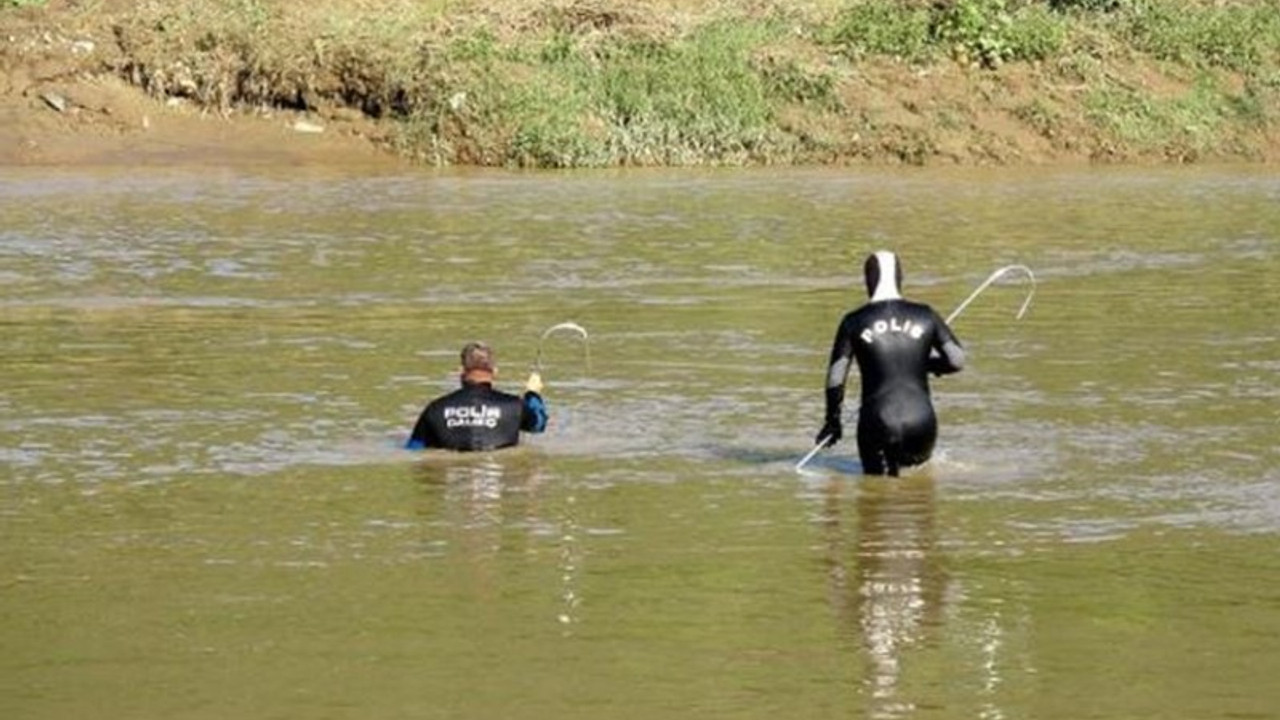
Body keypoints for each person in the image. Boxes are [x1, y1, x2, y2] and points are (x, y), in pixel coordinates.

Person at [817, 251, 965, 476]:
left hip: (877, 422)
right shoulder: (926, 315)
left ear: (868, 280)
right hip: (921, 422)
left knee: (876, 496)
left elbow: (836, 377)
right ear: (900, 278)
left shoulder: (853, 321)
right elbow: (956, 360)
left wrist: (832, 422)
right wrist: (923, 364)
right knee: (917, 495)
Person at [406, 341, 548, 452]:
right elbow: (539, 425)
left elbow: (413, 449)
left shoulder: (435, 409)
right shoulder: (515, 406)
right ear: (495, 371)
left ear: (461, 371)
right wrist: (532, 393)